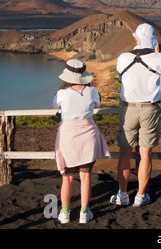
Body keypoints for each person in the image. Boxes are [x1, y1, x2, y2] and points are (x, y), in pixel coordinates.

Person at [110, 23, 161, 207]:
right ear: (154, 41)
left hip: (128, 109)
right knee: (146, 154)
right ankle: (140, 195)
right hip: (150, 110)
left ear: (135, 38)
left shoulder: (123, 57)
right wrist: (158, 53)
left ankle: (122, 194)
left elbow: (121, 78)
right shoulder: (158, 58)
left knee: (124, 153)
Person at [53, 59, 111, 224]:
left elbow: (53, 104)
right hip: (88, 136)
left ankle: (65, 213)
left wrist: (62, 85)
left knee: (67, 178)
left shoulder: (62, 94)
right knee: (85, 177)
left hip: (68, 138)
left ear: (67, 76)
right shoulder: (92, 91)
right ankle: (84, 213)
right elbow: (97, 103)